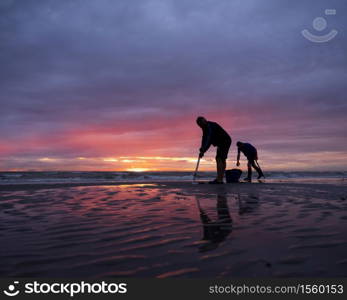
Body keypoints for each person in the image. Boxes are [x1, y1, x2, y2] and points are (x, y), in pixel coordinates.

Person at [196, 116, 231, 184]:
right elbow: (204, 139)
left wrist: (203, 150)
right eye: (199, 125)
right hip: (223, 142)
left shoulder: (209, 127)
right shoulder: (205, 127)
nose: (200, 126)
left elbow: (208, 139)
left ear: (204, 121)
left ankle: (219, 179)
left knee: (219, 158)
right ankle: (220, 178)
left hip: (224, 141)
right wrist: (202, 148)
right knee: (222, 159)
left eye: (201, 124)